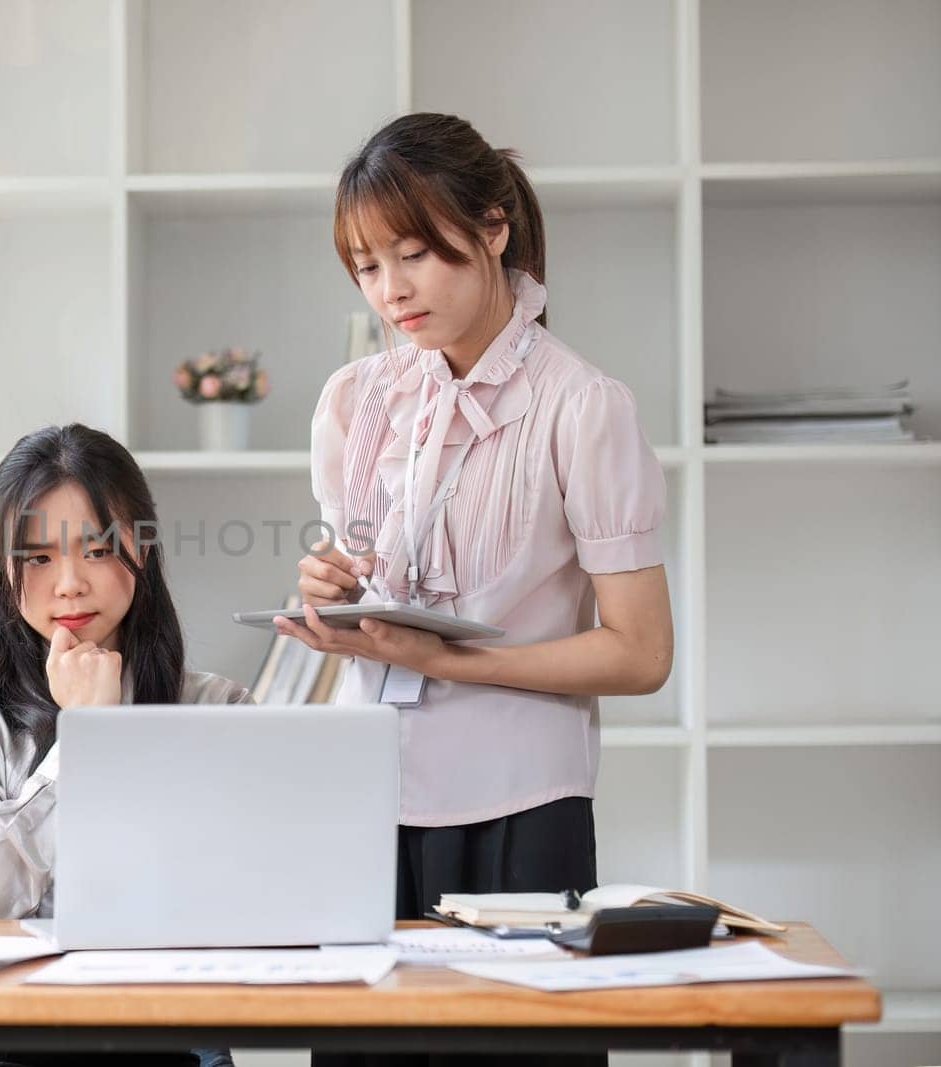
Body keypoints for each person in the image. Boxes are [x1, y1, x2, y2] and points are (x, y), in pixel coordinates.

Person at [282, 113, 674, 1067]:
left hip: (518, 806)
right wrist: (330, 582)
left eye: (414, 252)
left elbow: (638, 651)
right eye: (367, 266)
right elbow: (365, 563)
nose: (392, 290)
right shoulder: (354, 399)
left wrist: (450, 657)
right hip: (364, 794)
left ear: (493, 228)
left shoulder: (583, 408)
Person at [0, 423, 244, 1067]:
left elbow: (243, 901)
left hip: (155, 1035)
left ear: (142, 553)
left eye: (96, 549)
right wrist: (84, 738)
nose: (68, 583)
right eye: (38, 557)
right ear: (1, 571)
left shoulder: (216, 709)